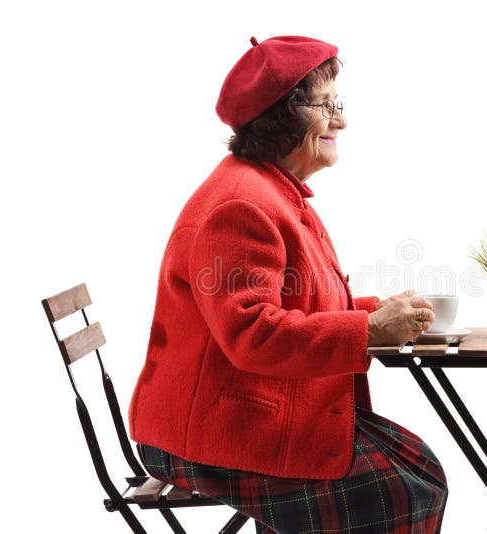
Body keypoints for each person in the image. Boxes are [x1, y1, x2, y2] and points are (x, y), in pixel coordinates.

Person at [128, 35, 448, 534]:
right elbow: (254, 334)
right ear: (283, 118)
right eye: (327, 106)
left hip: (240, 407)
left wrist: (374, 313)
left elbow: (299, 300)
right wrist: (367, 331)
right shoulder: (242, 204)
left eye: (338, 104)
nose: (341, 120)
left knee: (420, 468)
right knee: (405, 494)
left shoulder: (272, 190)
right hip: (210, 429)